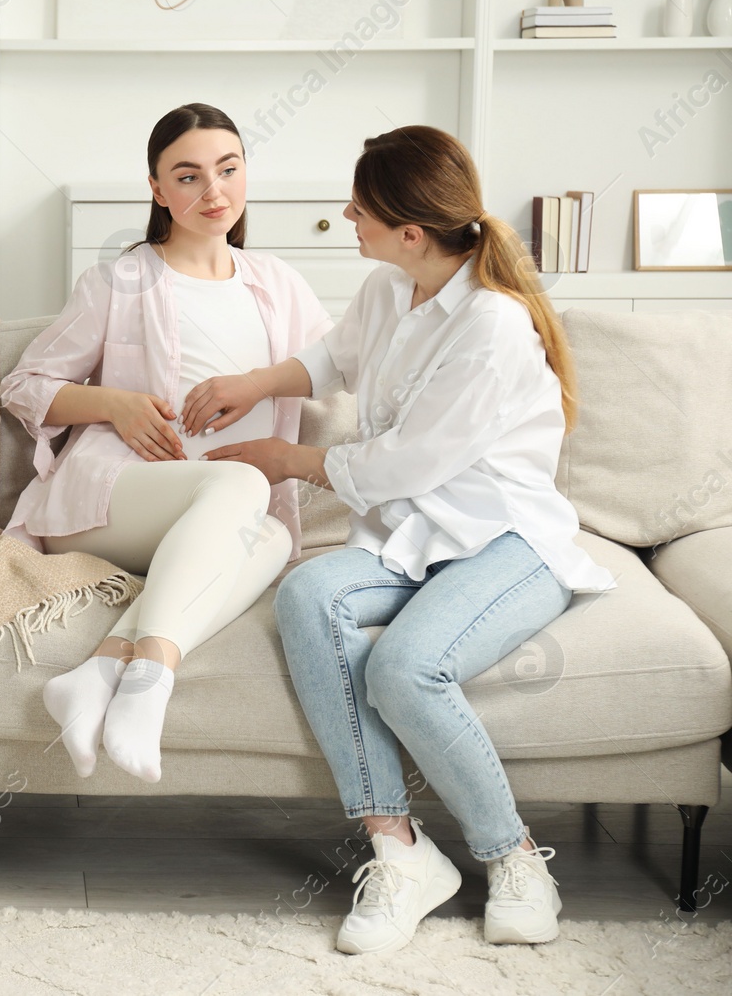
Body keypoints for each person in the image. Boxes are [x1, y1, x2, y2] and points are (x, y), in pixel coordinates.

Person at [189, 124, 617, 954]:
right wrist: (255, 384)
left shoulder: (492, 328)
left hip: (506, 541)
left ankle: (515, 855)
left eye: (363, 207)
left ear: (411, 232)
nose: (348, 214)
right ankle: (402, 850)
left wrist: (288, 457)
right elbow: (332, 358)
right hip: (414, 537)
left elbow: (402, 464)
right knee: (308, 593)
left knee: (404, 667)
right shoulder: (392, 287)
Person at [0, 103, 333, 783]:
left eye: (228, 169)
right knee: (244, 486)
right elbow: (24, 385)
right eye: (189, 176)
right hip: (109, 498)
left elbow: (338, 367)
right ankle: (150, 679)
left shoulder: (278, 284)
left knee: (268, 535)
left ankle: (98, 672)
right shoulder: (120, 281)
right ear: (157, 189)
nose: (214, 192)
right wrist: (112, 405)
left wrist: (260, 382)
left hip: (214, 517)